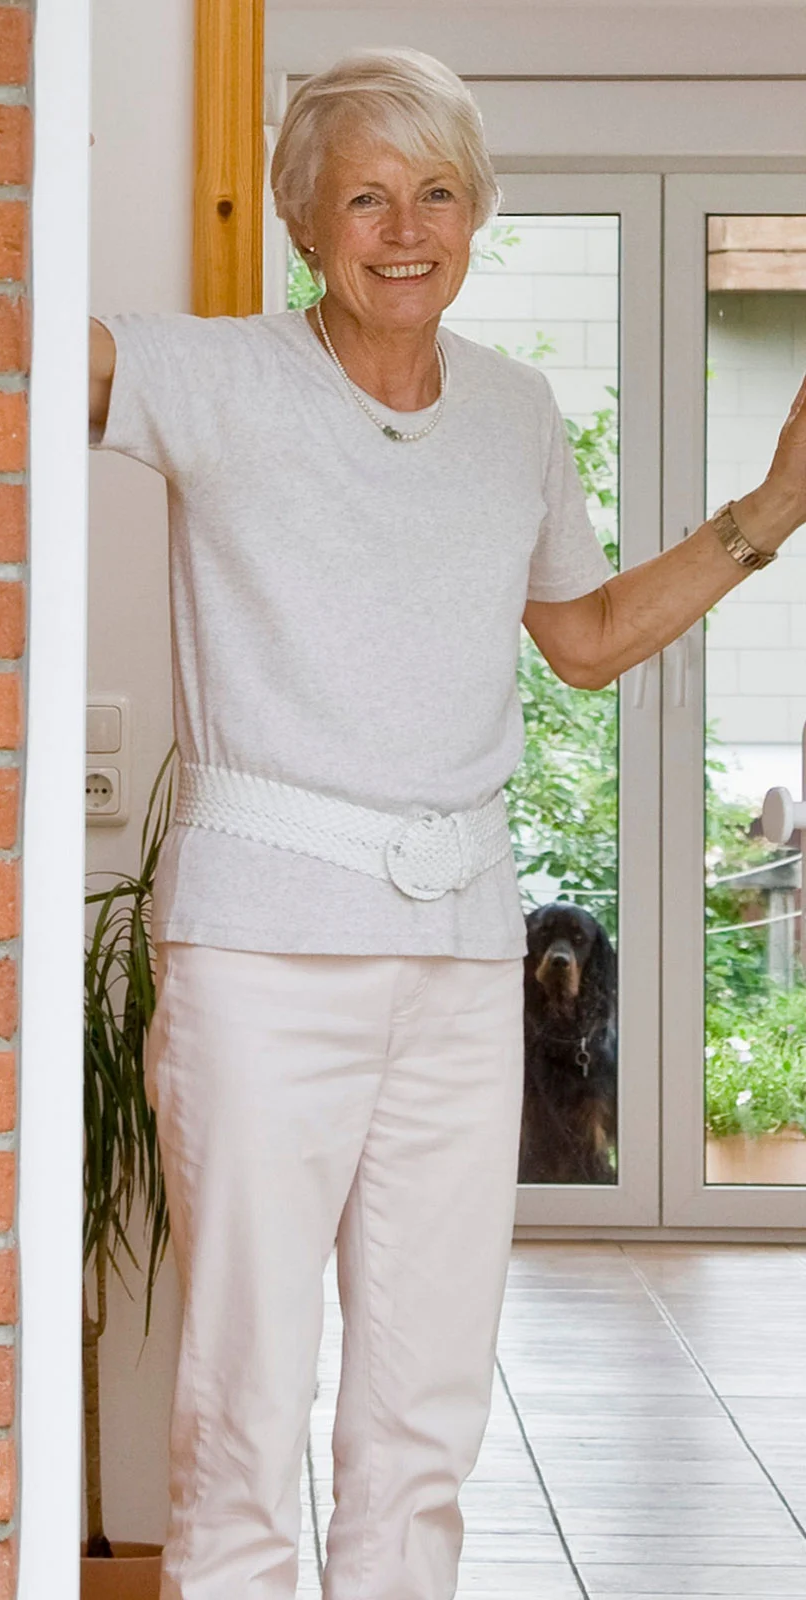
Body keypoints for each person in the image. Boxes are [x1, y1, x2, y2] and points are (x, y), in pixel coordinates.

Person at [88, 45, 806, 1600]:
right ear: (302, 221)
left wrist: (774, 505)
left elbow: (587, 636)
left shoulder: (516, 413)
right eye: (363, 194)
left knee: (425, 1403)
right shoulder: (216, 376)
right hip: (260, 955)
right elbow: (15, 350)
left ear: (475, 212)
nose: (402, 226)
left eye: (434, 192)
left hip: (461, 953)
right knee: (244, 1391)